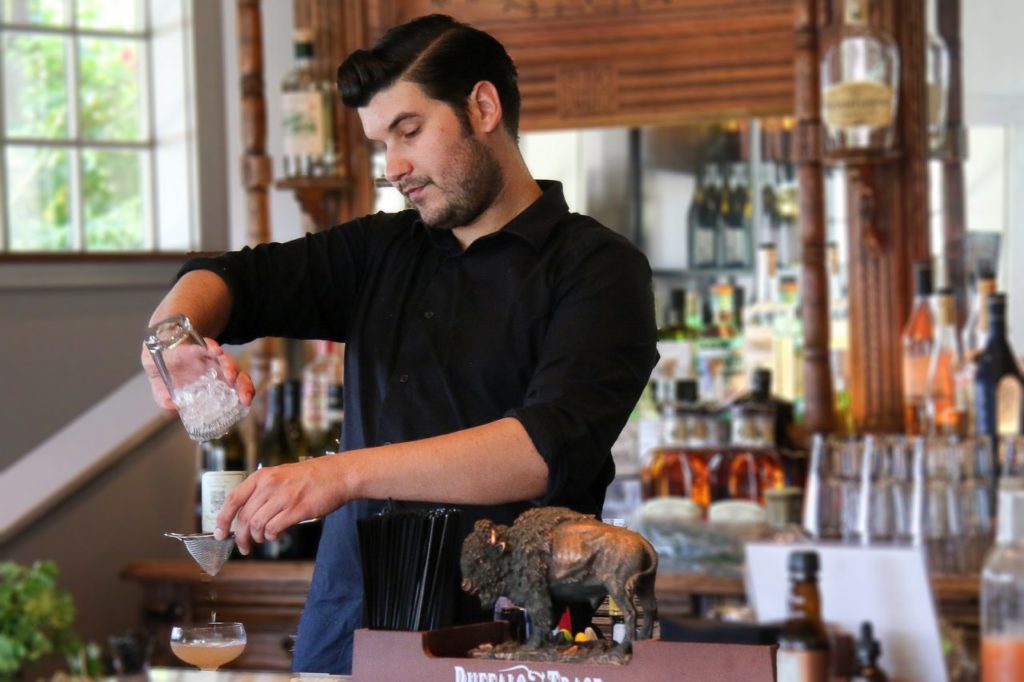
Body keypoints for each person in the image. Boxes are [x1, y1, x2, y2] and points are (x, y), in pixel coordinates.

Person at [142, 14, 657, 674]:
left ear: (483, 106)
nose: (394, 167)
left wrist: (342, 473)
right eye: (380, 143)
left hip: (526, 632)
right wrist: (172, 338)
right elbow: (230, 278)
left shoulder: (599, 268)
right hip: (350, 628)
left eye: (409, 131)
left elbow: (539, 449)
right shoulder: (380, 251)